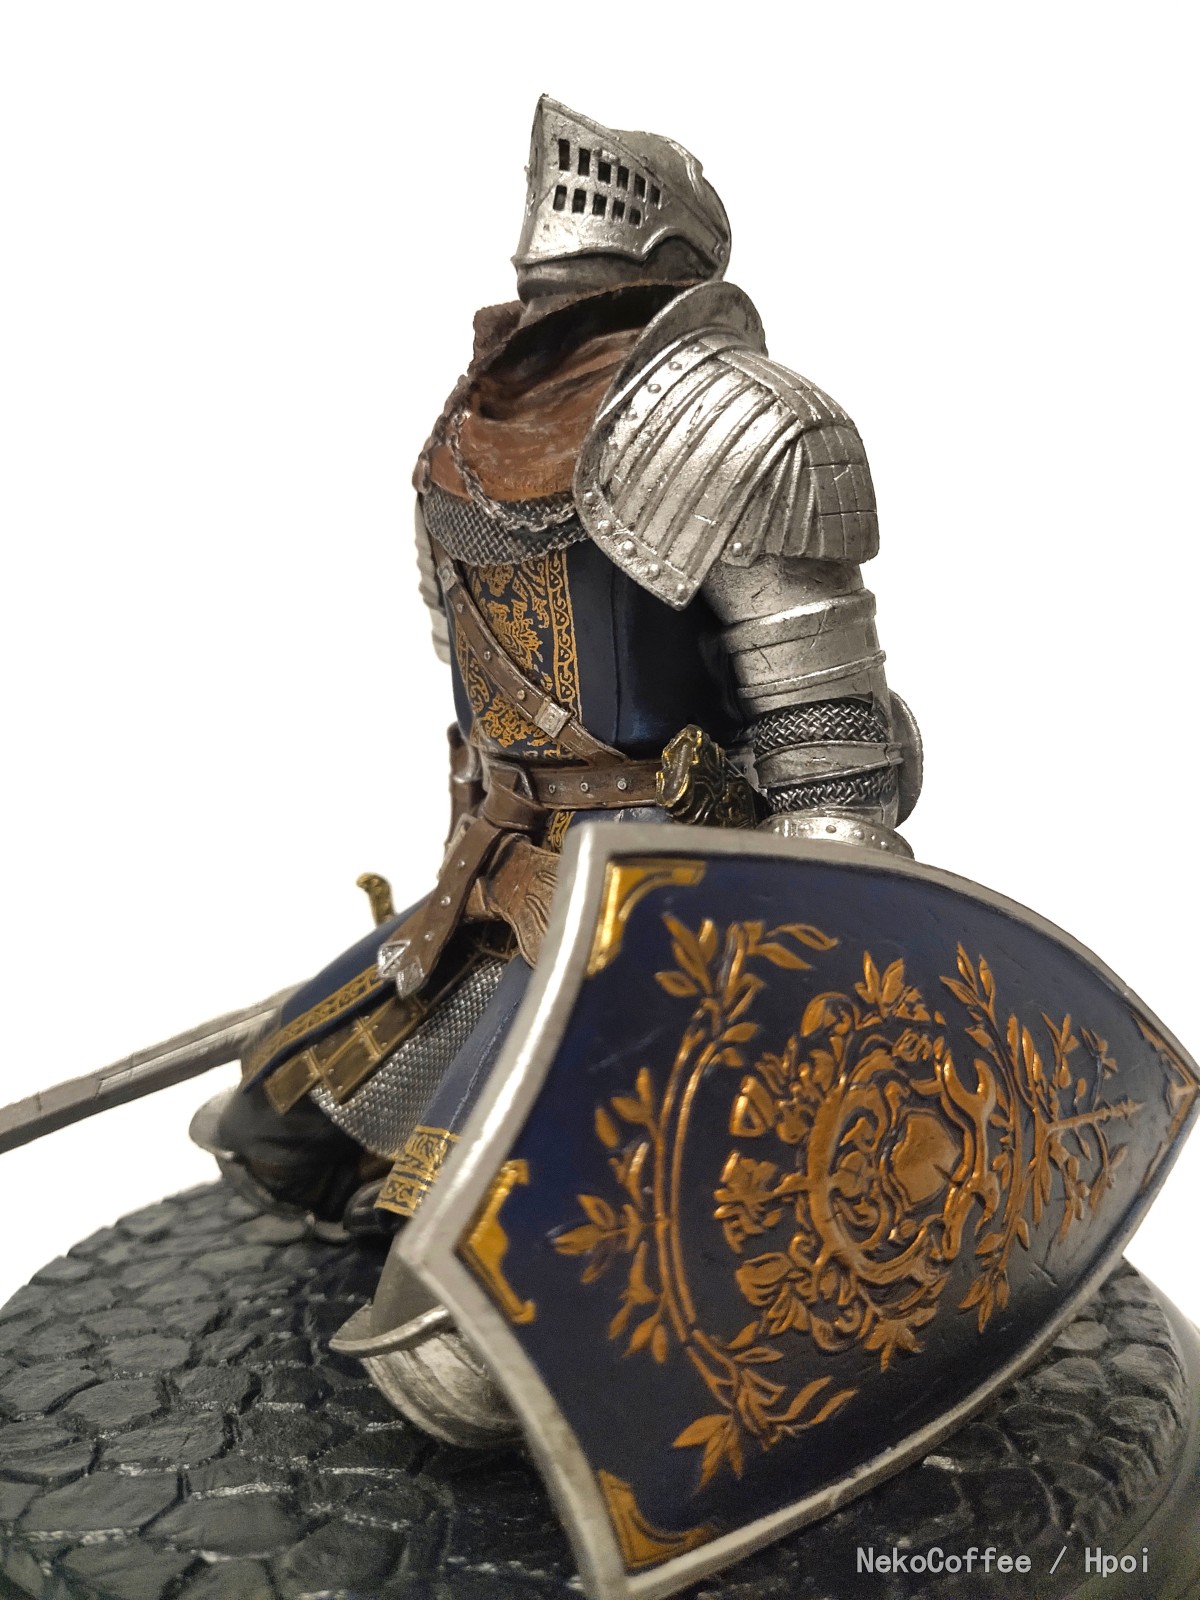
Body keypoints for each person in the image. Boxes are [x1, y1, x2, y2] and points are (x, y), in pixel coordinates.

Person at [193, 94, 921, 1241]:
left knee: (466, 1246)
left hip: (664, 896)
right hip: (502, 874)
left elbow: (829, 746)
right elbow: (478, 714)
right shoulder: (469, 433)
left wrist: (811, 959)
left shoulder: (742, 424)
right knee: (279, 1122)